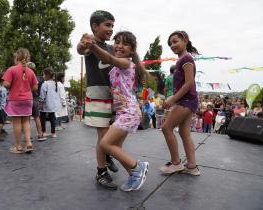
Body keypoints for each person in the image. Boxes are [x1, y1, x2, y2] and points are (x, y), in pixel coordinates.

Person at [83, 31, 149, 191]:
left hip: (129, 112)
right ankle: (134, 174)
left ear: (132, 50)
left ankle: (137, 167)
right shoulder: (118, 65)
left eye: (125, 44)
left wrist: (93, 47)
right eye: (117, 42)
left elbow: (108, 58)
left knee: (105, 143)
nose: (119, 46)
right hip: (123, 112)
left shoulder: (126, 63)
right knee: (116, 147)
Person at [77, 10, 118, 190]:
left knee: (111, 133)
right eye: (107, 25)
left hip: (112, 95)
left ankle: (107, 154)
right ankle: (101, 171)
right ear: (95, 26)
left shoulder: (111, 48)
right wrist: (83, 43)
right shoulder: (90, 44)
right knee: (103, 135)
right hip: (97, 94)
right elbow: (80, 49)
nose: (111, 29)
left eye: (112, 26)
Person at [159, 30, 200, 176]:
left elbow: (189, 83)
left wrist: (173, 99)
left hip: (186, 101)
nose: (172, 45)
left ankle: (176, 163)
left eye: (175, 41)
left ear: (185, 40)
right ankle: (192, 166)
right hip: (189, 101)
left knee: (166, 128)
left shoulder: (186, 59)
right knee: (184, 132)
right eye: (170, 43)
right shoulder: (182, 60)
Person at [2, 48, 38, 154]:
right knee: (26, 121)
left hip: (15, 99)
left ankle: (18, 146)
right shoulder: (31, 71)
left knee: (17, 123)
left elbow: (7, 84)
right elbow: (35, 87)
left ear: (17, 57)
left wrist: (6, 84)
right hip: (28, 99)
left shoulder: (11, 69)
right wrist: (27, 89)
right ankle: (28, 143)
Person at [27, 62, 46, 141]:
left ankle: (28, 137)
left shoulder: (25, 77)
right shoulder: (40, 78)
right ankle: (40, 135)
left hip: (27, 98)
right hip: (36, 99)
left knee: (26, 119)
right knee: (37, 117)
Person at [39, 68, 61, 138]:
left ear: (47, 75)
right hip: (53, 104)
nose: (43, 76)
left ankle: (44, 132)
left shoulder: (45, 84)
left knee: (42, 117)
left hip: (45, 104)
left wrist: (41, 103)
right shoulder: (56, 83)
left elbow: (42, 94)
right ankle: (53, 133)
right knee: (52, 118)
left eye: (43, 75)